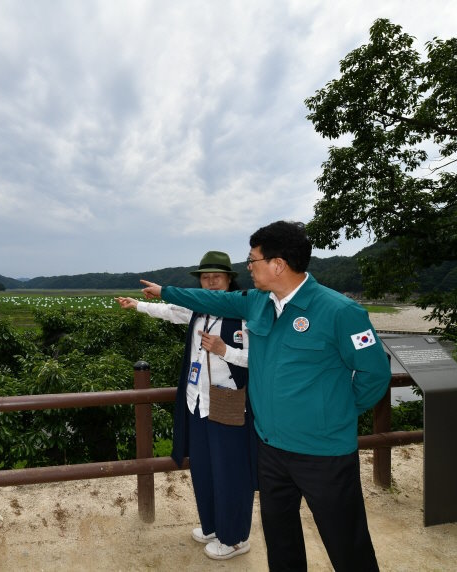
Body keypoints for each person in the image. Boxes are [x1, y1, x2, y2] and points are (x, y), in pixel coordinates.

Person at [140, 221, 390, 571]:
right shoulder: (257, 303)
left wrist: (337, 412)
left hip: (323, 451)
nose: (248, 267)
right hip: (270, 448)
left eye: (253, 260)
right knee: (281, 540)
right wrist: (166, 291)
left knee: (346, 542)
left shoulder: (340, 311)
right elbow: (209, 298)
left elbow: (374, 374)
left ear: (278, 264)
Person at [116, 251, 256, 561]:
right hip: (197, 401)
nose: (210, 282)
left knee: (231, 471)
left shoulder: (245, 310)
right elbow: (172, 311)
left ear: (230, 279)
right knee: (204, 468)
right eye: (205, 277)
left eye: (216, 277)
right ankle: (213, 526)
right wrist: (138, 305)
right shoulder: (199, 309)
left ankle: (234, 538)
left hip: (230, 401)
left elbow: (261, 359)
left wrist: (225, 351)